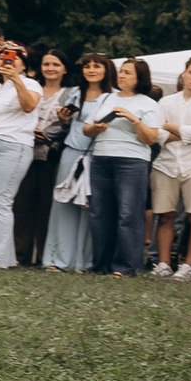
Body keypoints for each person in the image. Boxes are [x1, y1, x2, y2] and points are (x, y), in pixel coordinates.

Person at [79, 58, 162, 275]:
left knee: (128, 214)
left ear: (139, 78)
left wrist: (134, 120)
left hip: (132, 161)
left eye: (128, 73)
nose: (122, 75)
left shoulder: (148, 103)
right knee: (99, 213)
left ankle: (125, 266)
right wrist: (96, 128)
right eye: (121, 71)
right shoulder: (105, 98)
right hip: (101, 158)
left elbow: (151, 138)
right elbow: (86, 129)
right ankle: (100, 264)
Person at [147, 55, 191, 279]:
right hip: (166, 163)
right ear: (184, 73)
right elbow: (156, 133)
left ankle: (188, 266)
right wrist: (186, 133)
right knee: (164, 215)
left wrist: (170, 127)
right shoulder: (166, 102)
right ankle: (164, 263)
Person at [0, 41, 43, 268]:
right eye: (4, 56)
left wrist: (15, 79)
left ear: (23, 64)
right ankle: (5, 258)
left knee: (0, 201)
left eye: (14, 57)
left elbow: (28, 107)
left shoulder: (31, 84)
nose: (7, 60)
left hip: (12, 146)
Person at [12, 49, 76, 266]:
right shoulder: (30, 86)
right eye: (46, 64)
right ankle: (20, 254)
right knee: (22, 204)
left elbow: (73, 124)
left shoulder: (71, 93)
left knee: (46, 205)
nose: (50, 68)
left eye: (56, 64)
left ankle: (43, 255)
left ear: (65, 68)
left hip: (52, 153)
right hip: (24, 150)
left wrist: (53, 130)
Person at [43, 54, 105, 272]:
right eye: (87, 66)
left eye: (97, 66)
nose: (91, 70)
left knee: (89, 207)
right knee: (64, 202)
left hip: (97, 154)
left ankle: (85, 261)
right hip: (71, 150)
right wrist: (64, 119)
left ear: (106, 70)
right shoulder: (74, 92)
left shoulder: (111, 96)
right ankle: (58, 259)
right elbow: (64, 125)